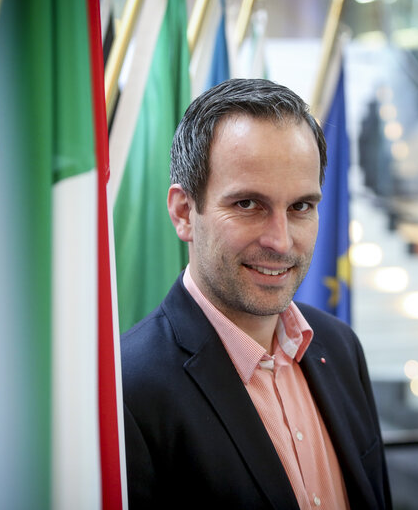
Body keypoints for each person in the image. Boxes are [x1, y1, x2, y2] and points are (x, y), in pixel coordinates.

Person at [121, 78, 391, 509]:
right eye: (248, 204)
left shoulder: (341, 349)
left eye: (301, 206)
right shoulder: (128, 393)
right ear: (184, 212)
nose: (281, 242)